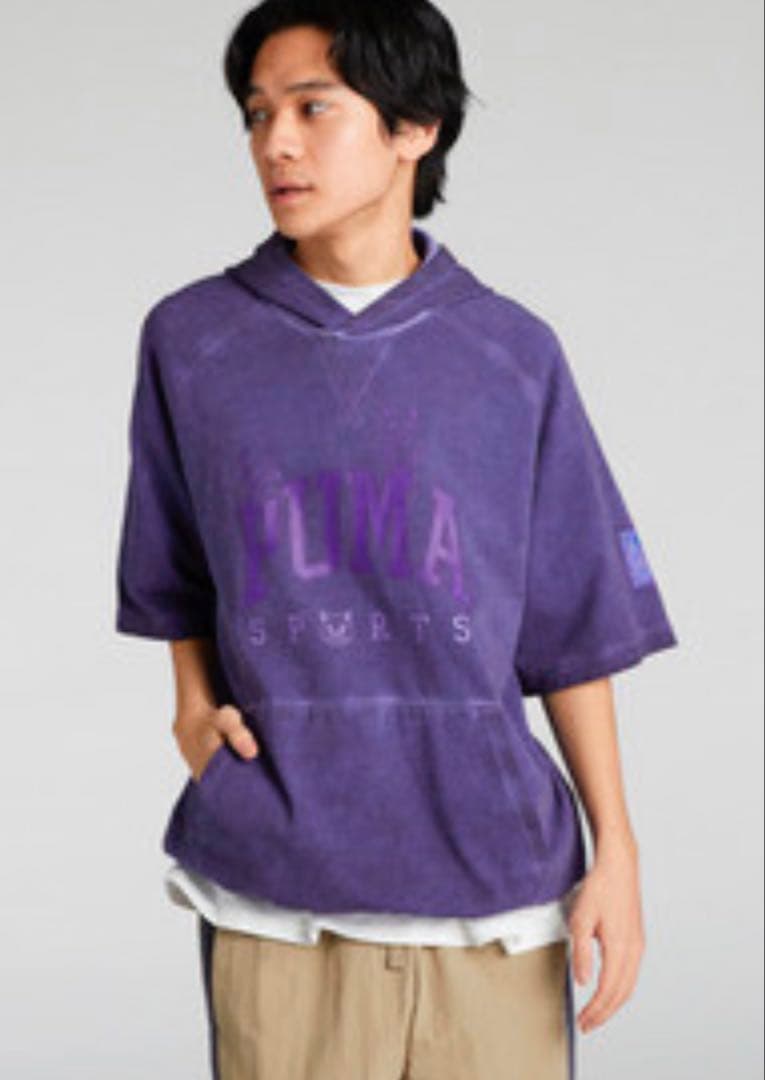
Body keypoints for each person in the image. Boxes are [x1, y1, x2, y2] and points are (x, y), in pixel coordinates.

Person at [114, 2, 679, 1077]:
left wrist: (618, 851)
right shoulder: (192, 341)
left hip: (497, 893)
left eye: (312, 108)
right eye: (256, 113)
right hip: (277, 892)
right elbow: (174, 569)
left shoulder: (511, 354)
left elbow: (572, 626)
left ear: (415, 126)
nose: (275, 143)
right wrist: (192, 710)